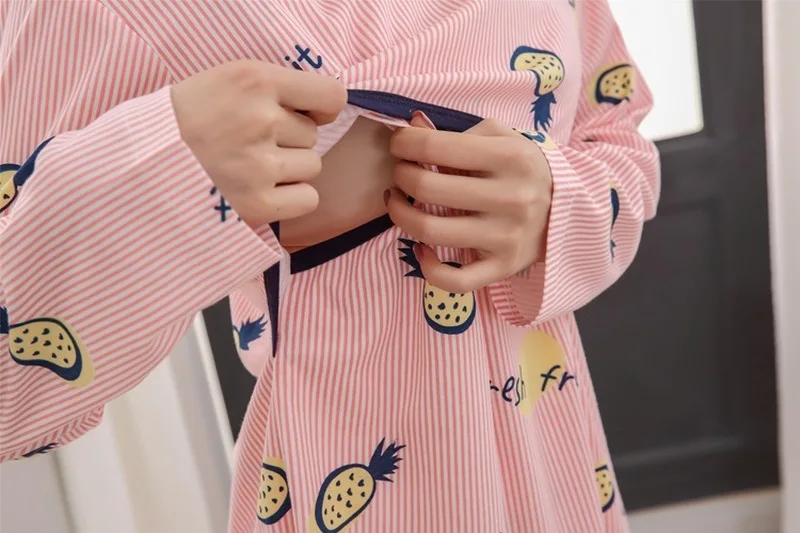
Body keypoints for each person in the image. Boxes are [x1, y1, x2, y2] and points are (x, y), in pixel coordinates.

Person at [0, 0, 660, 531]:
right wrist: (164, 163)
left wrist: (555, 200)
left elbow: (617, 135)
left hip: (557, 462)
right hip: (337, 477)